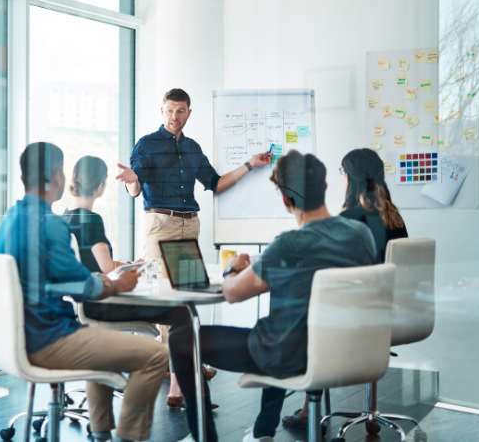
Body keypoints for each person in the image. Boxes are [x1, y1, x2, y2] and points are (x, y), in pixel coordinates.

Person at [169, 151, 378, 442]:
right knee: (281, 318)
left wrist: (232, 269)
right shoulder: (361, 234)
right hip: (347, 351)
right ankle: (263, 431)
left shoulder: (289, 245)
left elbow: (232, 293)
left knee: (180, 339)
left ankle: (206, 436)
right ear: (326, 188)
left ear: (284, 199)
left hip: (291, 356)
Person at [0, 142, 168, 442]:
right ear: (58, 177)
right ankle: (129, 438)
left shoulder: (11, 219)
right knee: (156, 355)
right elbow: (83, 288)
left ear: (23, 178)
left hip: (16, 337)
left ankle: (101, 432)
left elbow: (56, 281)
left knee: (102, 344)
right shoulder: (48, 224)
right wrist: (118, 283)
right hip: (49, 338)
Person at [62, 156, 215, 411]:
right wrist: (139, 264)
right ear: (100, 187)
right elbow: (107, 267)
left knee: (179, 312)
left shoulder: (62, 218)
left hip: (79, 307)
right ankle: (185, 389)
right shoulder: (91, 220)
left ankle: (186, 383)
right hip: (102, 305)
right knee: (183, 313)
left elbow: (96, 264)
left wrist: (128, 263)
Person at [281, 147, 409, 428]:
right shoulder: (395, 217)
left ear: (349, 178)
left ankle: (306, 412)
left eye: (342, 173)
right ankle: (354, 409)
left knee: (310, 316)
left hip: (360, 313)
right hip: (393, 312)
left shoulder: (350, 220)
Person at [115, 88, 272, 262]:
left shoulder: (193, 148)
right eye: (170, 110)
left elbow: (217, 184)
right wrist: (132, 180)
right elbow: (134, 190)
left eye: (180, 111)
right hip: (161, 225)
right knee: (156, 282)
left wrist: (251, 164)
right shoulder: (147, 143)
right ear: (162, 111)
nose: (174, 116)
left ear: (188, 113)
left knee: (188, 284)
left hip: (190, 226)